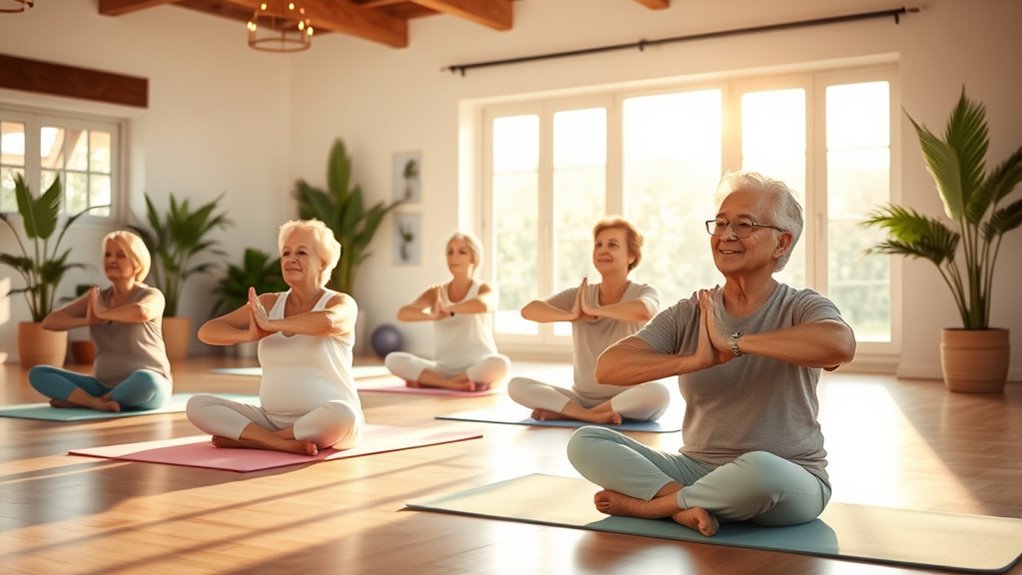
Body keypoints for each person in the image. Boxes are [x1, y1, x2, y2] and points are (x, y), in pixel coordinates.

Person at [566, 172, 856, 537]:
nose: (726, 235)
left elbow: (839, 345)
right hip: (697, 467)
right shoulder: (692, 311)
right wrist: (693, 361)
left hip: (788, 477)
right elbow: (608, 367)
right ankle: (685, 504)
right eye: (720, 223)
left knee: (760, 470)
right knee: (587, 442)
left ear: (781, 243)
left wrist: (735, 341)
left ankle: (657, 505)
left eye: (744, 224)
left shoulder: (802, 305)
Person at [186, 219, 363, 456]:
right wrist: (248, 334)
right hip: (270, 419)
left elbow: (327, 322)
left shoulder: (339, 302)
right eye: (286, 253)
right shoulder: (269, 303)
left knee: (345, 414)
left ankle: (254, 440)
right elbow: (207, 331)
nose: (291, 259)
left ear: (323, 262)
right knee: (197, 405)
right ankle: (278, 441)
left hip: (327, 417)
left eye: (301, 252)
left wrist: (272, 324)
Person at [507, 217, 668, 424]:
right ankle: (590, 415)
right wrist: (570, 315)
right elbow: (529, 311)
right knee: (516, 385)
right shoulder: (580, 295)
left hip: (628, 397)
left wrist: (598, 310)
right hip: (582, 399)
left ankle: (569, 413)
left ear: (631, 255)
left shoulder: (644, 291)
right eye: (598, 245)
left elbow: (645, 310)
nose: (602, 250)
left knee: (659, 394)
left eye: (613, 244)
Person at [28, 230, 172, 412]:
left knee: (146, 381)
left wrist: (103, 313)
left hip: (150, 383)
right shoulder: (97, 299)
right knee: (39, 374)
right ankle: (96, 403)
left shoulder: (151, 294)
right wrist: (87, 320)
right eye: (107, 254)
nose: (112, 260)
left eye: (120, 255)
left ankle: (84, 401)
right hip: (103, 385)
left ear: (137, 262)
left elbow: (142, 312)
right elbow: (49, 321)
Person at [385, 231, 510, 392]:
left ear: (474, 257)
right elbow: (403, 313)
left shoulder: (485, 288)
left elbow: (484, 305)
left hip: (478, 363)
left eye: (461, 252)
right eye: (449, 252)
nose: (453, 257)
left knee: (500, 363)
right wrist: (433, 315)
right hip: (443, 368)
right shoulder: (437, 291)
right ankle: (452, 384)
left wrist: (449, 308)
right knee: (392, 360)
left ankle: (434, 382)